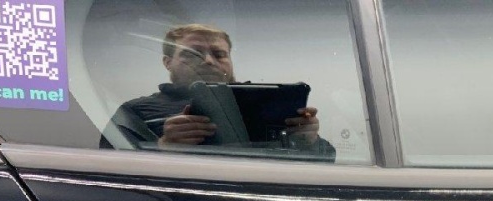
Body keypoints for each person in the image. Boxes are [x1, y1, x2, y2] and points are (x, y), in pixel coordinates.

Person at [102, 23, 335, 158]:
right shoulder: (135, 111)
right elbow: (112, 171)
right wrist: (165, 147)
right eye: (193, 53)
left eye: (219, 54)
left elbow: (324, 162)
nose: (208, 61)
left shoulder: (267, 102)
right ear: (167, 62)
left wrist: (310, 141)